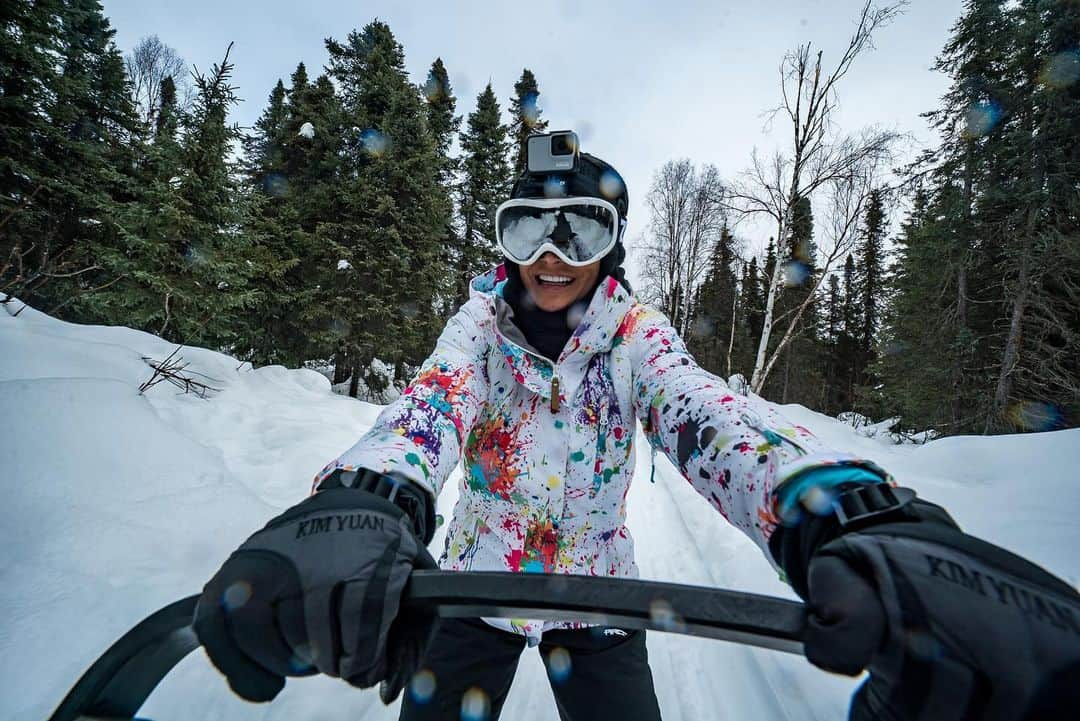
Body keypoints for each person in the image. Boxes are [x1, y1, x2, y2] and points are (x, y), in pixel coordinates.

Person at [194, 132, 1080, 721]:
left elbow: (703, 413)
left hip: (597, 593)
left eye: (578, 231)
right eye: (528, 228)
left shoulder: (635, 335)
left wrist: (840, 508)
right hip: (470, 585)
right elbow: (433, 402)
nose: (550, 255)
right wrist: (367, 497)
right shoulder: (478, 327)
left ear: (608, 247)